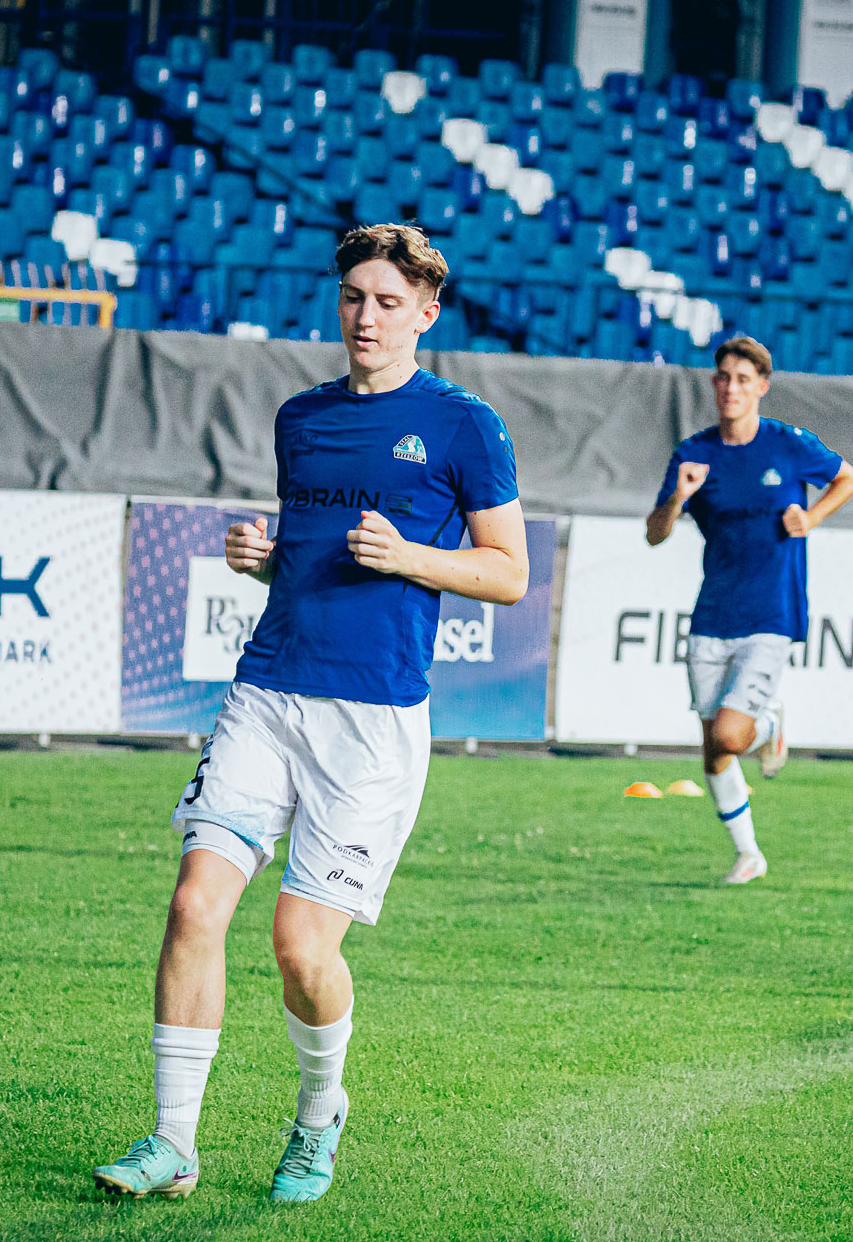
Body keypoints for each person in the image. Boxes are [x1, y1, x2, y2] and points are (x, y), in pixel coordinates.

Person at [94, 224, 528, 1203]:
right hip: (267, 690)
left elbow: (508, 571)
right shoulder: (302, 417)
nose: (365, 317)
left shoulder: (466, 425)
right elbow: (312, 555)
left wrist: (412, 557)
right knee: (193, 905)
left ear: (426, 314)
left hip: (370, 721)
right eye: (353, 297)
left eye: (387, 302)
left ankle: (320, 1111)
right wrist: (265, 557)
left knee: (300, 946)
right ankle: (173, 1143)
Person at [646, 335, 853, 886]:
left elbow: (849, 478)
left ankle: (767, 726)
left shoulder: (788, 444)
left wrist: (811, 518)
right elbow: (654, 534)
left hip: (772, 613)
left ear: (762, 387)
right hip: (713, 614)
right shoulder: (694, 453)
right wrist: (678, 497)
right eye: (724, 377)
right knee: (713, 749)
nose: (731, 388)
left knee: (729, 735)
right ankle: (748, 854)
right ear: (713, 383)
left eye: (743, 379)